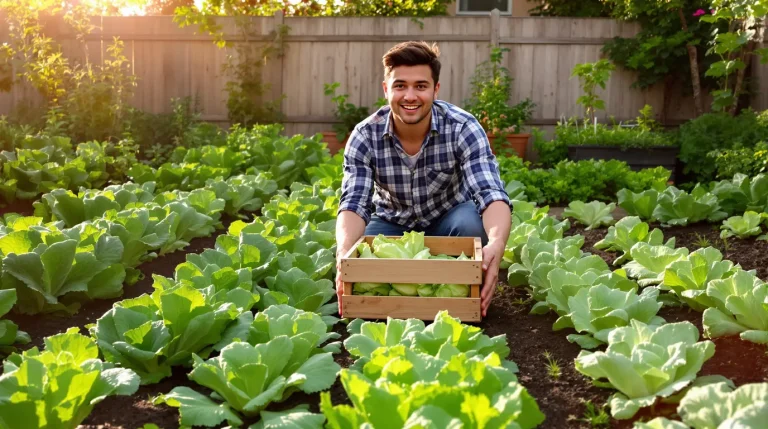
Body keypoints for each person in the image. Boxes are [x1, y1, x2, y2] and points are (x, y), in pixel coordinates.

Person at [334, 40, 512, 318]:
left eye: (420, 86)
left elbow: (490, 192)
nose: (410, 96)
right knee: (361, 253)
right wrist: (344, 256)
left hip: (449, 221)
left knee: (470, 224)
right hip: (392, 224)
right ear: (386, 90)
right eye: (400, 85)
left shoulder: (463, 127)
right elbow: (354, 203)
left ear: (435, 90)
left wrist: (497, 245)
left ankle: (463, 297)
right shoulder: (364, 135)